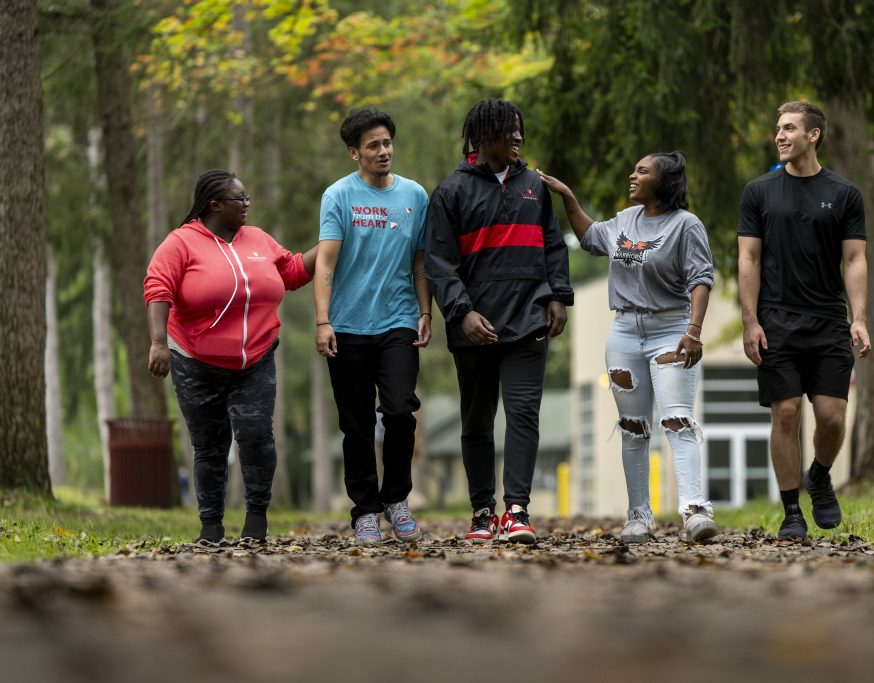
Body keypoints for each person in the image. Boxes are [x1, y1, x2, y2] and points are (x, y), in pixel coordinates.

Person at [539, 153, 718, 544]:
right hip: (623, 332)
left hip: (671, 329)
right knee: (634, 428)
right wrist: (568, 198)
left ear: (663, 181)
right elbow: (589, 238)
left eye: (642, 171)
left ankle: (694, 511)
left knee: (677, 420)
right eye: (635, 169)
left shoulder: (686, 226)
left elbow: (701, 279)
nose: (632, 175)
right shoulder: (624, 220)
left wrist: (694, 330)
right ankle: (638, 514)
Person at [425, 98, 573, 544]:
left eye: (520, 131)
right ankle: (482, 512)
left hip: (528, 319)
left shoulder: (533, 184)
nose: (519, 138)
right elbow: (439, 263)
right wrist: (462, 312)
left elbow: (552, 246)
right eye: (510, 132)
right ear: (484, 136)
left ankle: (517, 511)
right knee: (476, 420)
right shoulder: (452, 191)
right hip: (475, 327)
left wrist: (558, 296)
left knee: (524, 415)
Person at [145, 169, 317, 546]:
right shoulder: (180, 243)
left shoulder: (257, 238)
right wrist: (158, 343)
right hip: (196, 362)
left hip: (255, 360)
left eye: (248, 198)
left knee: (257, 437)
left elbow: (291, 272)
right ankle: (211, 527)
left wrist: (331, 242)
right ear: (215, 205)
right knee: (209, 445)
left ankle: (257, 518)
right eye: (240, 199)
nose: (247, 205)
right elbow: (158, 288)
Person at [737, 101, 871, 541]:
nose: (780, 135)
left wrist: (860, 318)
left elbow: (854, 259)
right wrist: (750, 321)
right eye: (778, 128)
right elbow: (749, 257)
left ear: (813, 135)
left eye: (790, 128)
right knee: (787, 412)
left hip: (829, 320)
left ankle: (820, 475)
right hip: (776, 320)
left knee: (831, 417)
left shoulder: (845, 193)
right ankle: (792, 509)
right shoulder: (758, 192)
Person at [314, 108, 431, 545]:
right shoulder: (338, 196)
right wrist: (323, 321)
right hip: (346, 326)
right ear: (354, 152)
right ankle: (365, 510)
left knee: (400, 411)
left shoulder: (415, 196)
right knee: (357, 424)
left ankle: (396, 498)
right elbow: (325, 261)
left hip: (398, 320)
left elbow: (421, 263)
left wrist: (425, 312)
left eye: (387, 143)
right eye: (373, 146)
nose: (383, 151)